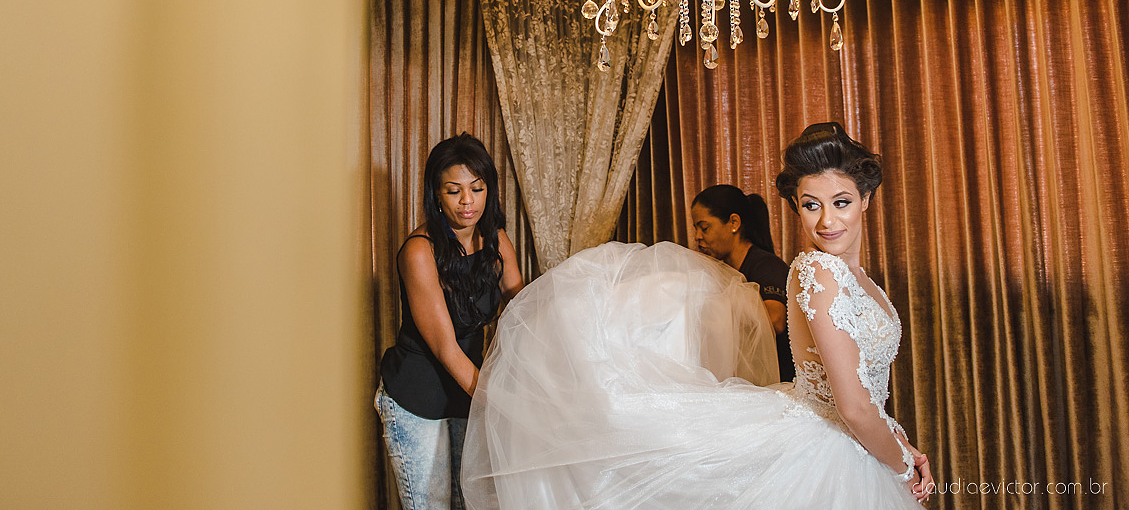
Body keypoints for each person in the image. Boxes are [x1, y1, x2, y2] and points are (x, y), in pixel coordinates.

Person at [462, 122, 934, 509]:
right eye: (811, 206)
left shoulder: (861, 280)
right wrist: (897, 467)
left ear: (866, 200)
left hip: (851, 442)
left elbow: (865, 396)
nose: (827, 221)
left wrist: (899, 445)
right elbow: (850, 405)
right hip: (830, 448)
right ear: (796, 208)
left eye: (841, 203)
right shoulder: (819, 271)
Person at [375, 133, 524, 510]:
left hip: (469, 390)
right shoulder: (419, 251)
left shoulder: (497, 240)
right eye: (453, 191)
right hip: (417, 396)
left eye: (476, 188)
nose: (467, 202)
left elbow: (524, 309)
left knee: (473, 503)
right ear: (436, 196)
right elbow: (445, 348)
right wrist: (502, 402)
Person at [691, 185, 795, 382]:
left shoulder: (766, 266)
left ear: (734, 223)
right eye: (695, 228)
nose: (697, 236)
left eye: (704, 227)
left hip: (779, 384)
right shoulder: (721, 271)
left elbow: (775, 320)